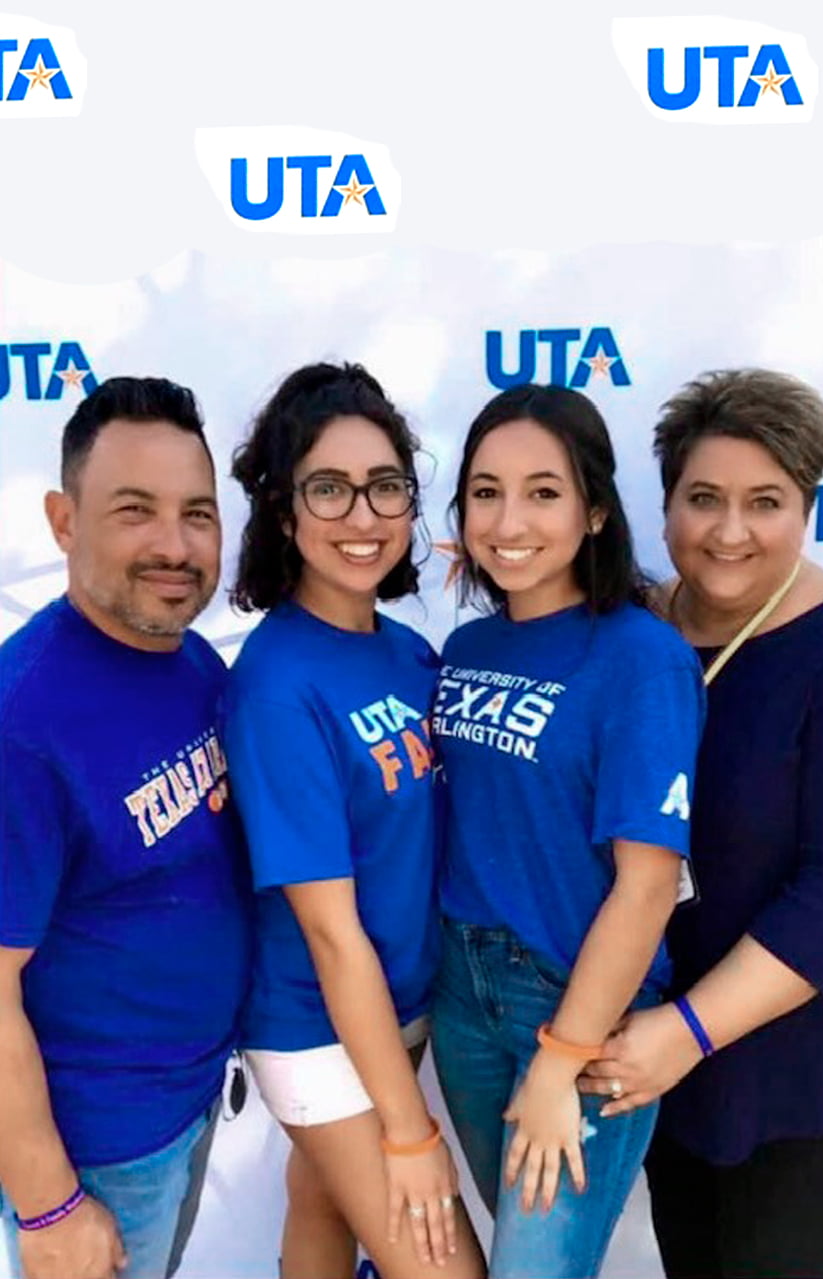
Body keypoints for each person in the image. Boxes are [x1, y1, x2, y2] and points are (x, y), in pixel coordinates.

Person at [430, 383, 705, 1279]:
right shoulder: (465, 650)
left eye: (543, 491)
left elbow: (648, 882)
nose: (509, 518)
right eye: (484, 490)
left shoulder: (638, 654)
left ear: (592, 510)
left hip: (575, 1010)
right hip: (462, 998)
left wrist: (560, 1059)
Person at [579, 368, 823, 1279]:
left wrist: (685, 1034)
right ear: (663, 508)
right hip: (640, 1059)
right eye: (703, 499)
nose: (729, 532)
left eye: (764, 502)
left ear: (807, 506)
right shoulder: (626, 630)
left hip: (783, 1076)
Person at [224, 362, 484, 1279]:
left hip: (399, 1011)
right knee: (444, 1265)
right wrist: (411, 1133)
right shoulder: (276, 685)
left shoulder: (408, 651)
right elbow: (331, 937)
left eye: (384, 486)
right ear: (284, 508)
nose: (362, 515)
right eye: (327, 488)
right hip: (315, 1027)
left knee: (321, 1201)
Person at [0, 377, 252, 1279]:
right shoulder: (22, 720)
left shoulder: (188, 663)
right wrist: (50, 1202)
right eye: (134, 511)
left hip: (183, 1104)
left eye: (197, 512)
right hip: (95, 1151)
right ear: (63, 521)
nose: (175, 546)